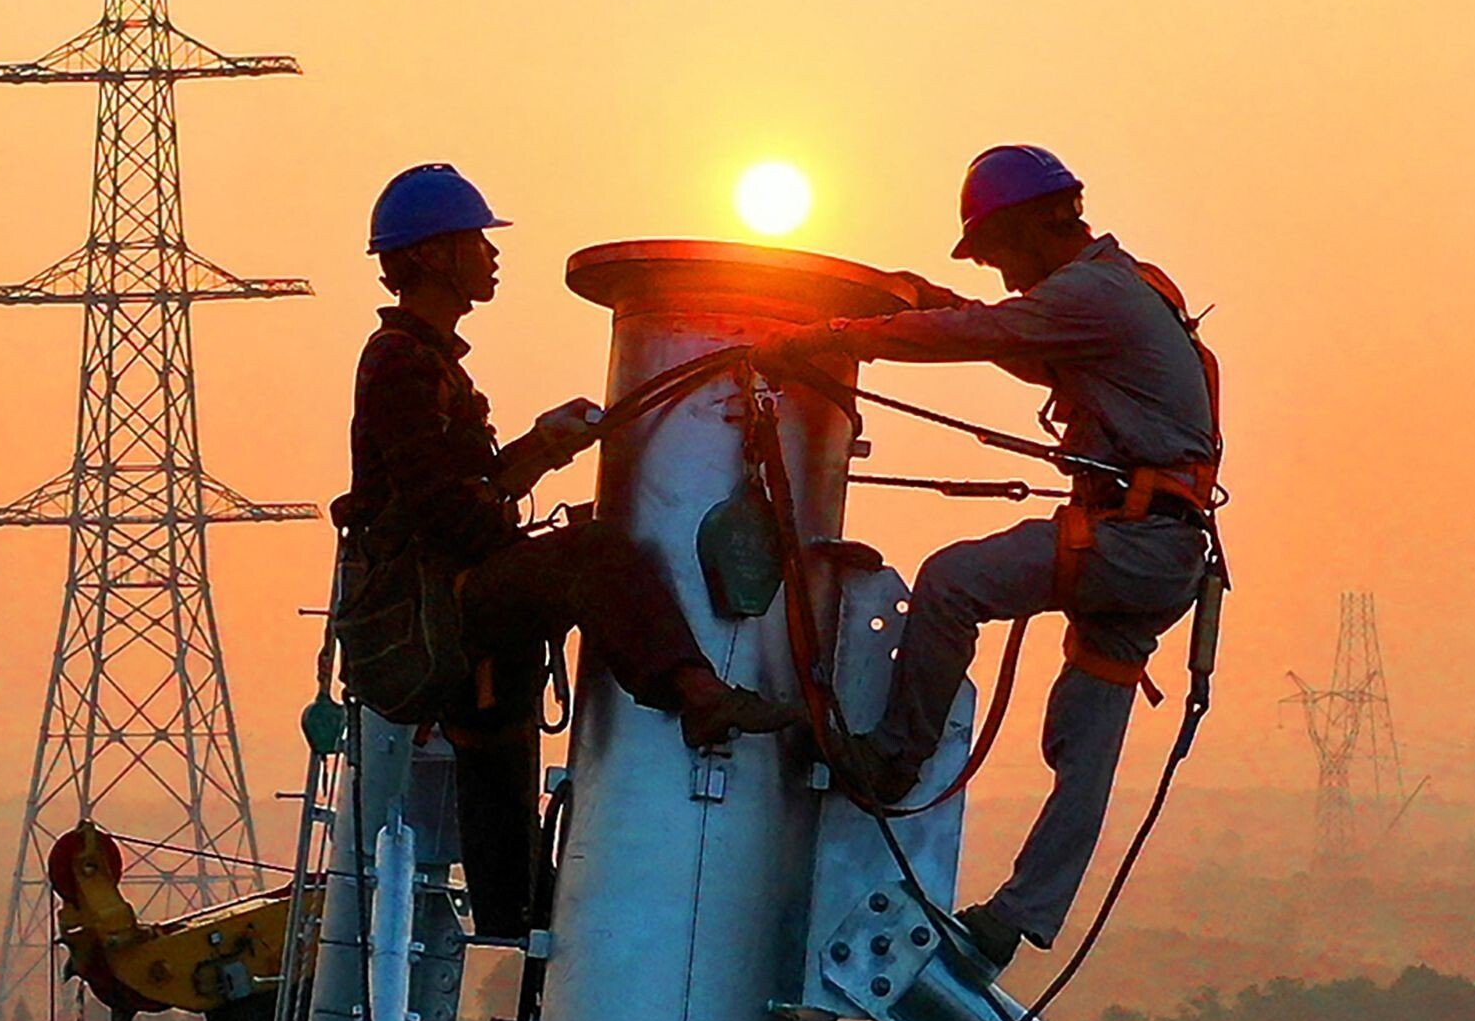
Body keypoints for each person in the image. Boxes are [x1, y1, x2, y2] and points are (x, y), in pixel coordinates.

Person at [751, 144, 1220, 972]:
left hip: (1132, 540)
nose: (1003, 273)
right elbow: (1019, 343)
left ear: (1039, 223)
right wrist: (931, 300)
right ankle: (1016, 919)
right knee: (1086, 742)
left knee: (952, 582)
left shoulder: (1094, 293)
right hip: (1160, 548)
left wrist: (825, 337)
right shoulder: (1116, 291)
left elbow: (977, 336)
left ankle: (894, 758)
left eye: (1000, 251)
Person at [336, 162, 791, 936]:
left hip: (444, 601)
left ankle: (517, 904)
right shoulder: (401, 365)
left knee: (497, 726)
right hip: (427, 609)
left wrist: (542, 451)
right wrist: (541, 551)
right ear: (434, 255)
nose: (491, 254)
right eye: (475, 240)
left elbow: (458, 494)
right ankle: (695, 692)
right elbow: (444, 512)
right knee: (596, 555)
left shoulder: (428, 361)